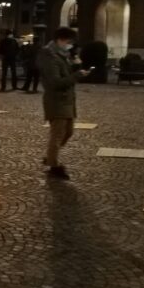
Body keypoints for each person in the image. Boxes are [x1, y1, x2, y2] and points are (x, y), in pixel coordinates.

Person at [38, 27, 91, 179]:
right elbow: (55, 82)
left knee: (68, 132)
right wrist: (76, 75)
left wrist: (76, 67)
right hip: (56, 100)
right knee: (57, 134)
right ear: (60, 40)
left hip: (66, 100)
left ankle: (50, 156)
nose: (70, 45)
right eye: (69, 42)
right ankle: (54, 166)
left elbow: (65, 74)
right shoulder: (50, 56)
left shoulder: (62, 54)